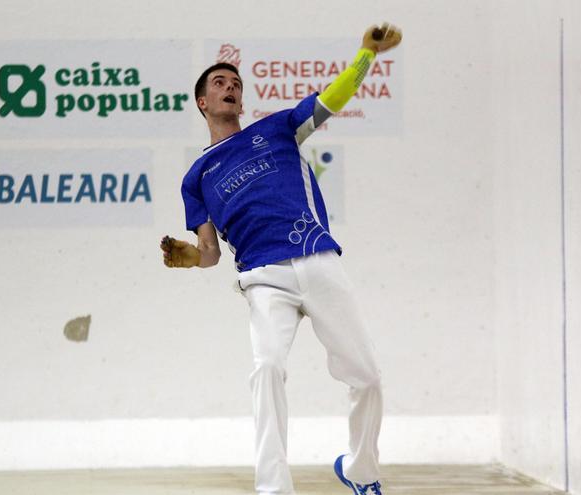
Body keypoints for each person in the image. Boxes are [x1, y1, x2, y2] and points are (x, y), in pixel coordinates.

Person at [160, 23, 403, 495]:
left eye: (235, 85)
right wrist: (189, 257)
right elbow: (209, 253)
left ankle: (361, 470)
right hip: (262, 277)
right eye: (219, 84)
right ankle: (273, 487)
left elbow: (331, 99)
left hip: (317, 257)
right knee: (267, 368)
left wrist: (365, 56)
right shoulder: (196, 178)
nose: (229, 88)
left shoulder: (276, 129)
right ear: (202, 104)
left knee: (368, 377)